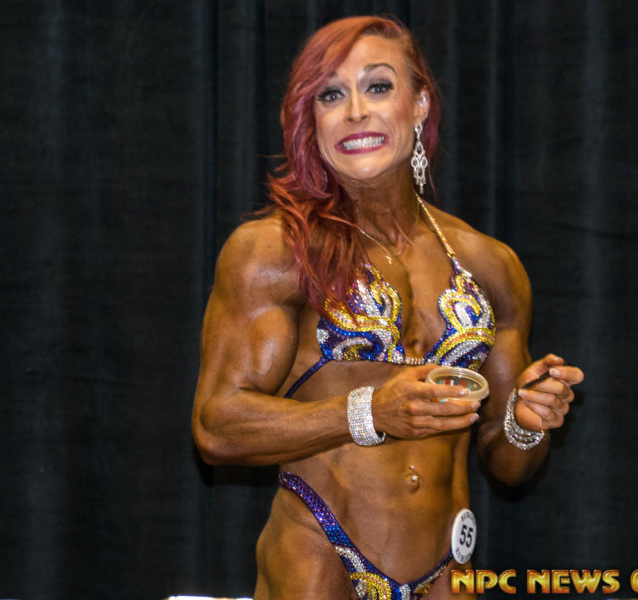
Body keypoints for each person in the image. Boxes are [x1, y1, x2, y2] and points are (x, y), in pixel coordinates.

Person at [192, 15, 584, 600]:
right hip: (318, 560)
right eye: (330, 95)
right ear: (310, 119)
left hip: (448, 572)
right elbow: (216, 426)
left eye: (378, 86)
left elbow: (507, 465)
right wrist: (369, 412)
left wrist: (527, 422)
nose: (355, 112)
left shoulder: (490, 264)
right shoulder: (274, 251)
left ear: (420, 104)